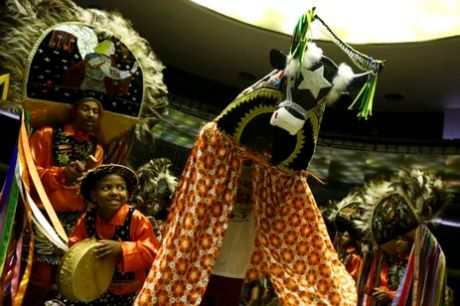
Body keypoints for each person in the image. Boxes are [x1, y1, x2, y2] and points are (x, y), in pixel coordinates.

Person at [23, 97, 104, 306]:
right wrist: (61, 174)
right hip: (42, 217)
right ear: (74, 110)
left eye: (96, 111)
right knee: (38, 282)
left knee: (61, 284)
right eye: (86, 108)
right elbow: (27, 174)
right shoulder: (46, 135)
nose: (91, 114)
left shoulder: (97, 149)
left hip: (73, 222)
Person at [63, 163, 159, 305]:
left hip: (126, 292)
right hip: (93, 285)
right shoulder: (88, 218)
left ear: (127, 195)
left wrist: (122, 248)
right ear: (94, 196)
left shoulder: (136, 219)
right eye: (107, 187)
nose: (115, 192)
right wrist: (87, 251)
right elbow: (74, 246)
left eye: (121, 188)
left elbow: (152, 252)